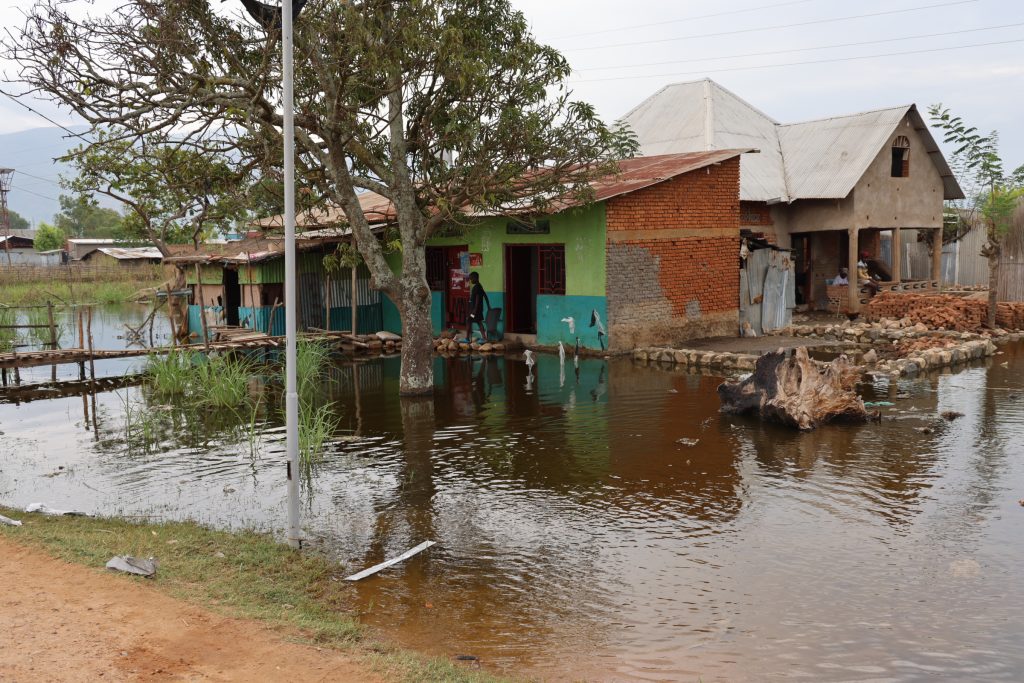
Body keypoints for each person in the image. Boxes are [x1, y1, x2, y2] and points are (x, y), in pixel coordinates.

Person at [466, 271, 490, 342]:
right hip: (479, 310)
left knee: (469, 320)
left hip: (475, 310)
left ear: (475, 278)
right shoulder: (480, 286)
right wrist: (488, 305)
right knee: (479, 322)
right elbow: (485, 295)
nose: (470, 280)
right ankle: (484, 337)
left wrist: (474, 311)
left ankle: (467, 338)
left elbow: (477, 300)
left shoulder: (476, 287)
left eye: (471, 279)